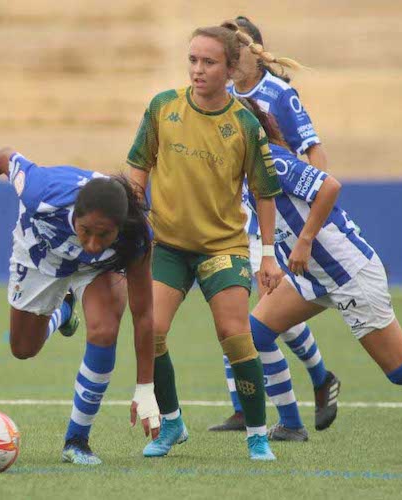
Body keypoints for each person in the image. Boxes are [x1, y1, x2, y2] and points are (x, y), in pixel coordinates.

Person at [127, 22, 285, 461]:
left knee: (234, 335)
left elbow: (265, 193)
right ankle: (173, 422)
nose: (198, 70)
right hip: (169, 246)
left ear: (231, 70)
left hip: (224, 248)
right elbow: (138, 166)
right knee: (151, 331)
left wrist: (268, 255)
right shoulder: (163, 107)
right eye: (193, 60)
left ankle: (257, 434)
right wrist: (133, 210)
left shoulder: (245, 125)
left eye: (209, 62)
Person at [0, 147, 160, 465]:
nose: (91, 242)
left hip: (96, 269)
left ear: (120, 226)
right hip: (41, 255)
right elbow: (5, 157)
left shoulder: (136, 236)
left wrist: (145, 387)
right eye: (86, 230)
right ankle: (63, 311)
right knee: (22, 349)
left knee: (104, 331)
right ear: (74, 214)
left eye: (103, 235)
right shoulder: (41, 191)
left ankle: (77, 441)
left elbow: (143, 314)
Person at [240, 99, 402, 416]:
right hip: (311, 278)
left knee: (400, 369)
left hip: (347, 273)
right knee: (255, 333)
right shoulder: (240, 171)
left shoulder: (271, 161)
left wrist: (305, 241)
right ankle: (291, 425)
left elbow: (329, 186)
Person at [210, 16, 339, 438]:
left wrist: (309, 213)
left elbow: (314, 153)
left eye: (235, 49)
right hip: (236, 216)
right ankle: (251, 405)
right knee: (235, 310)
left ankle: (312, 385)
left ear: (254, 50)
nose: (229, 58)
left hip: (274, 220)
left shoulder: (279, 94)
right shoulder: (225, 94)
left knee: (258, 313)